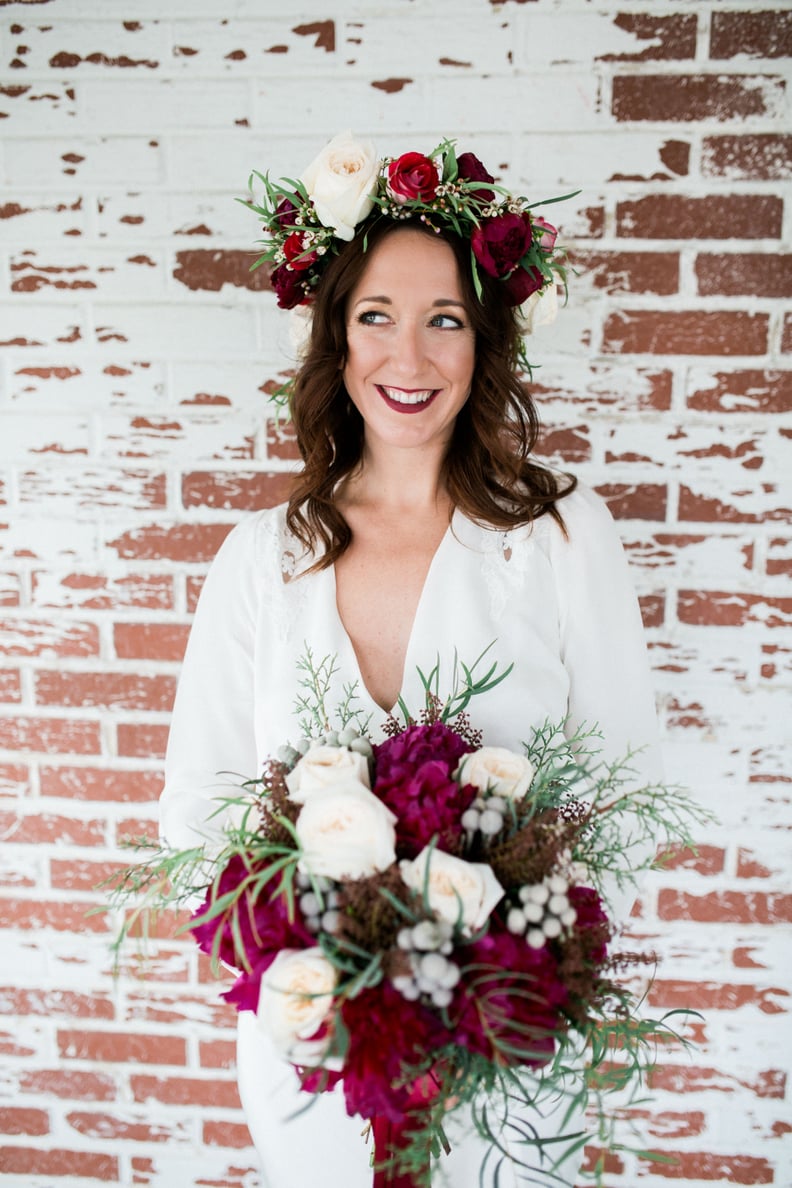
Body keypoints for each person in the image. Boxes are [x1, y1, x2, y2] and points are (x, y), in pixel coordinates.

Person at [160, 133, 662, 1187]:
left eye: (446, 320)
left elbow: (623, 791)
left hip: (509, 1061)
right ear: (337, 337)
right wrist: (339, 972)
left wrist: (492, 956)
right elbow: (201, 824)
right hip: (315, 1061)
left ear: (483, 343)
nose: (410, 357)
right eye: (376, 317)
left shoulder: (563, 537)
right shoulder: (262, 561)